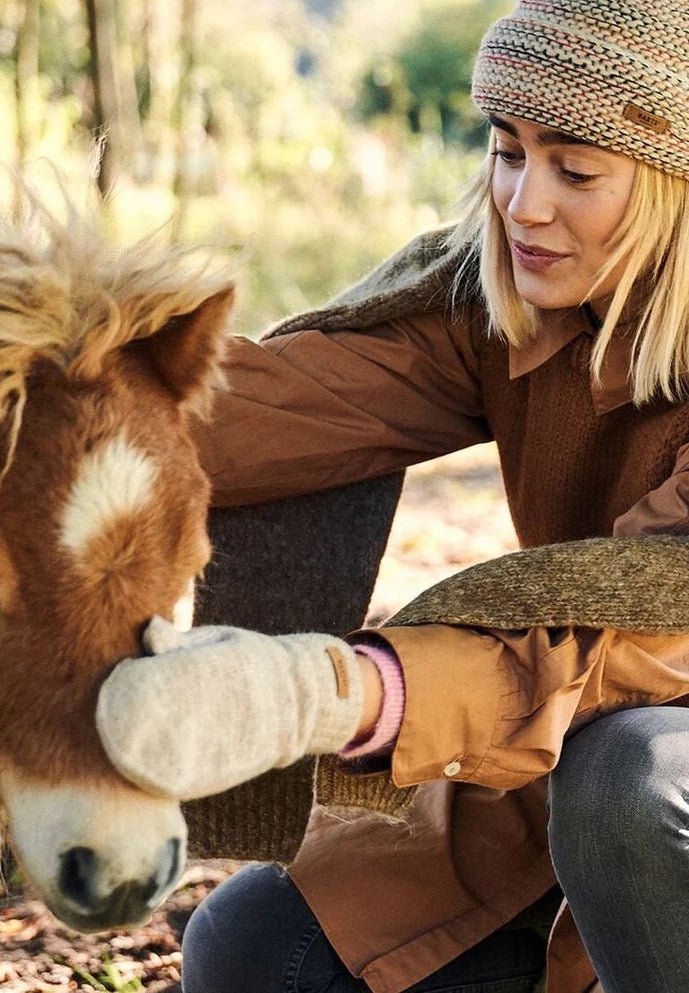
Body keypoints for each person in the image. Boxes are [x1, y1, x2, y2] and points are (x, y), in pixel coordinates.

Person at [95, 2, 689, 991]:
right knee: (254, 953)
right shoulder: (498, 309)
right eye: (506, 152)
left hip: (642, 772)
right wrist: (45, 406)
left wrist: (345, 694)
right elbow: (254, 409)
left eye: (574, 171)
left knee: (629, 778)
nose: (521, 202)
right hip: (557, 762)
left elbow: (659, 631)